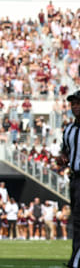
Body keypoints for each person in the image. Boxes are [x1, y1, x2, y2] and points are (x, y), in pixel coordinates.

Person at [62, 90, 80, 266]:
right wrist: (62, 158)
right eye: (73, 104)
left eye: (78, 103)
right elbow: (65, 151)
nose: (75, 107)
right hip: (75, 180)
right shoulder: (69, 129)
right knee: (76, 222)